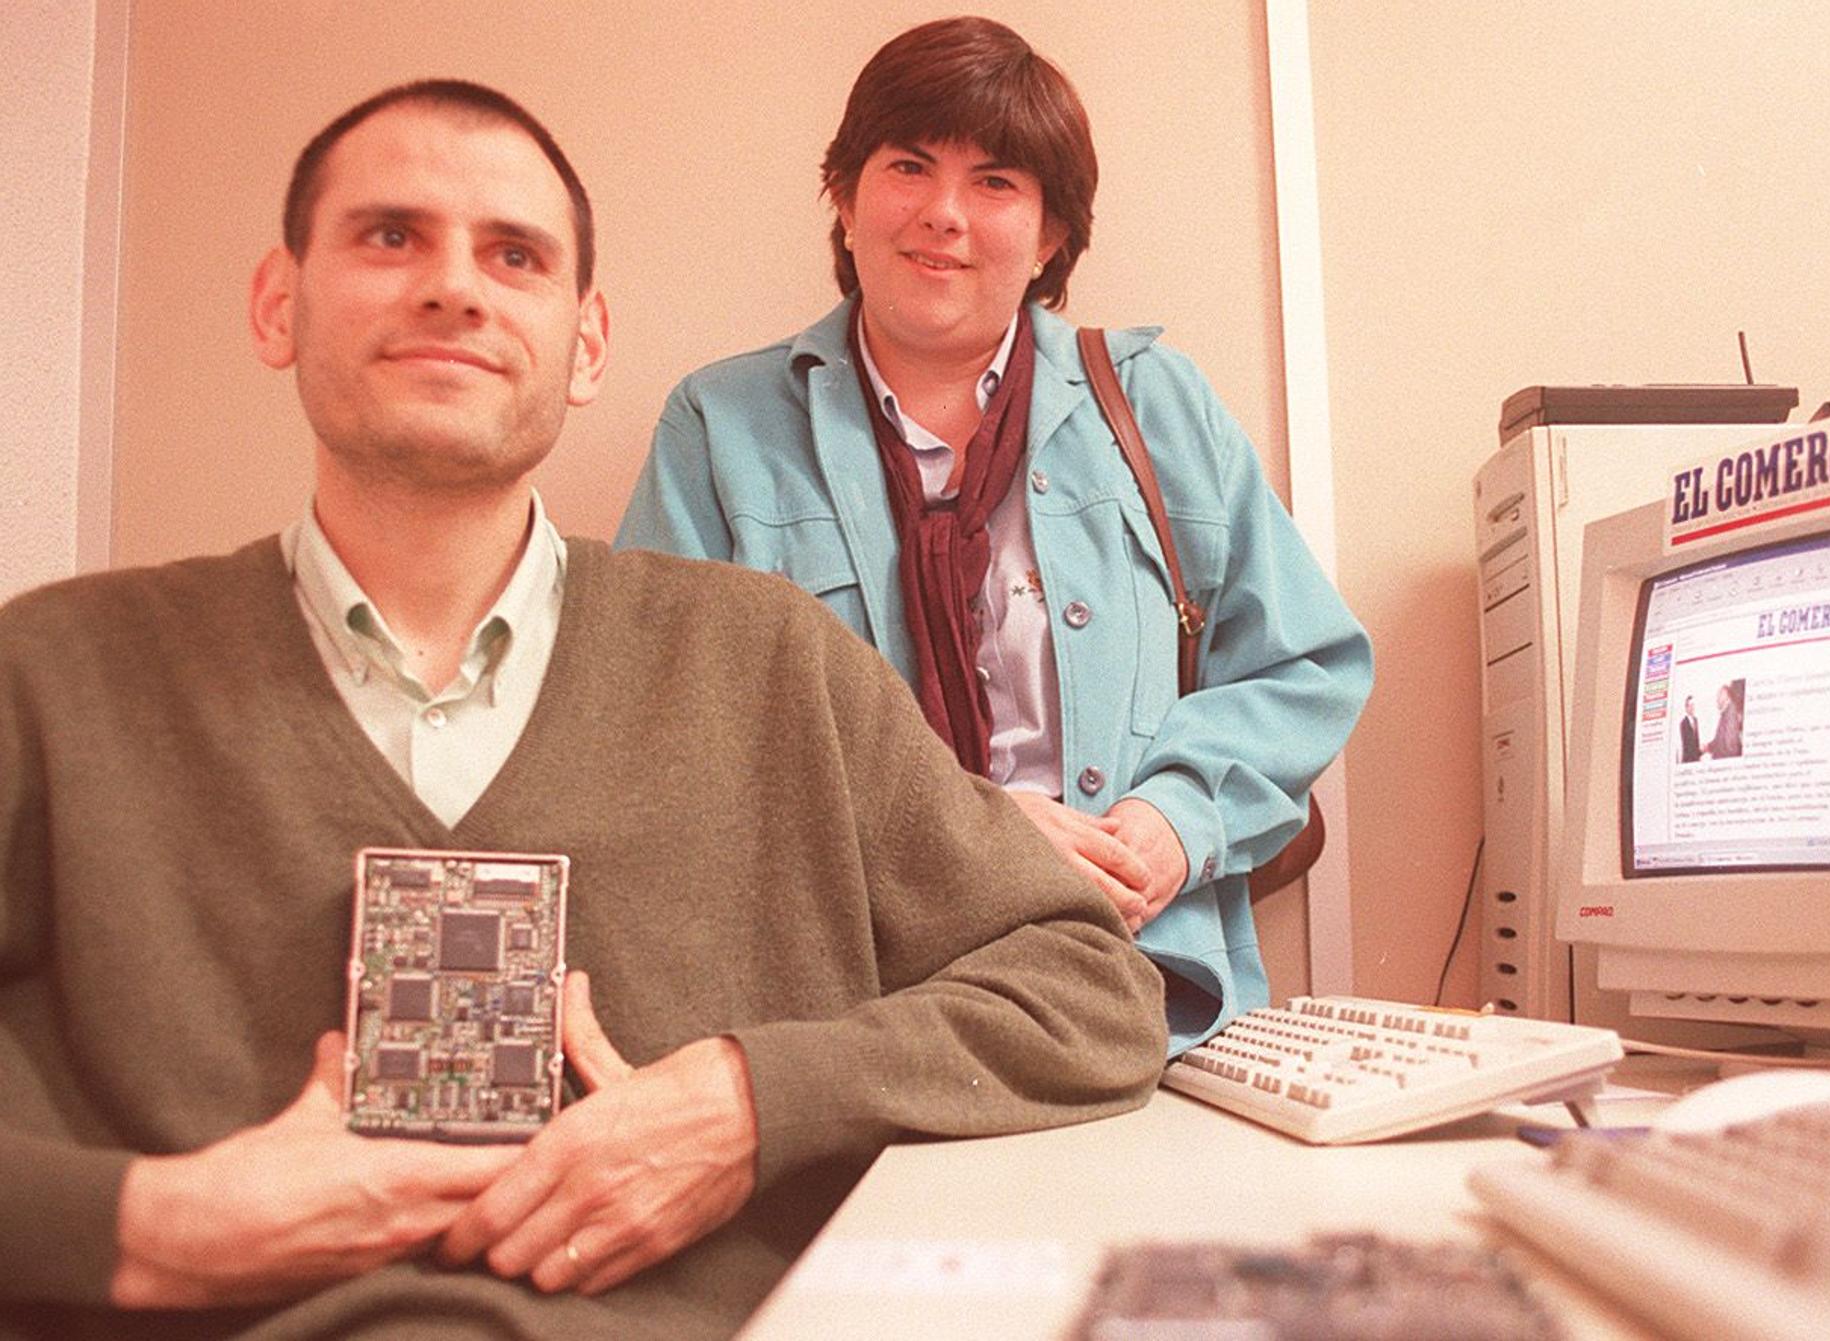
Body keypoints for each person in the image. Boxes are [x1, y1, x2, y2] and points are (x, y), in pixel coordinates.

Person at [0, 80, 1166, 1340]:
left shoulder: (772, 663)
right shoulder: (56, 677)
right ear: (278, 304)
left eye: (514, 254)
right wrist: (148, 1229)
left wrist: (751, 1100)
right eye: (391, 236)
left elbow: (1092, 993)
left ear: (587, 343)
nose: (453, 287)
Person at [617, 17, 1372, 1053]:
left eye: (997, 183)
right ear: (844, 196)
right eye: (909, 167)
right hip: (845, 1008)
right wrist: (956, 830)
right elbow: (666, 736)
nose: (943, 215)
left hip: (1145, 995)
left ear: (1053, 233)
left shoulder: (1153, 403)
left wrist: (1177, 821)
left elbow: (1305, 664)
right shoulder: (718, 427)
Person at [1705, 681, 1744, 759]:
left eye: (1719, 695)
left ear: (1725, 695)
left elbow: (1731, 748)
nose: (1717, 699)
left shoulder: (1731, 714)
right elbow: (1720, 741)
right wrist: (1707, 747)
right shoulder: (1725, 713)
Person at [1679, 695, 1702, 763]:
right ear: (1686, 708)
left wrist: (1699, 754)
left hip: (1696, 758)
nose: (1692, 707)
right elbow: (1687, 744)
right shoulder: (1683, 723)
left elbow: (1696, 740)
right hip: (1688, 759)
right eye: (1690, 705)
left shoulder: (1696, 720)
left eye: (1693, 705)